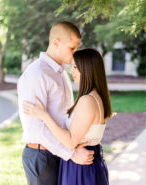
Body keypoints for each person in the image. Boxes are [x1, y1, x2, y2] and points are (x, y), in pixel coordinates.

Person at [18, 21, 94, 185]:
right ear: (56, 43)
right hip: (42, 156)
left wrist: (72, 146)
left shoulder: (61, 74)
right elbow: (35, 127)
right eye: (72, 48)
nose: (75, 54)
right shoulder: (36, 74)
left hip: (60, 152)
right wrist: (71, 154)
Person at [23, 48, 112, 185]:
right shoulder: (95, 97)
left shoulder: (88, 100)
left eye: (75, 67)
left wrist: (44, 115)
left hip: (81, 167)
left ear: (87, 69)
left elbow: (70, 141)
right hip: (85, 161)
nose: (71, 71)